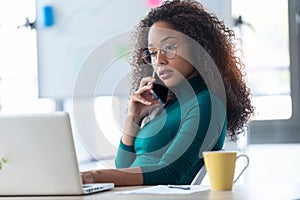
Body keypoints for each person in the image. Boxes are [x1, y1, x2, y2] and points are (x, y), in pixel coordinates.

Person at [81, 0, 254, 186]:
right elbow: (124, 166)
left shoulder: (208, 103)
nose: (159, 60)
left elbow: (171, 173)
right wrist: (134, 118)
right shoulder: (171, 104)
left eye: (169, 47)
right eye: (152, 53)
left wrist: (93, 176)